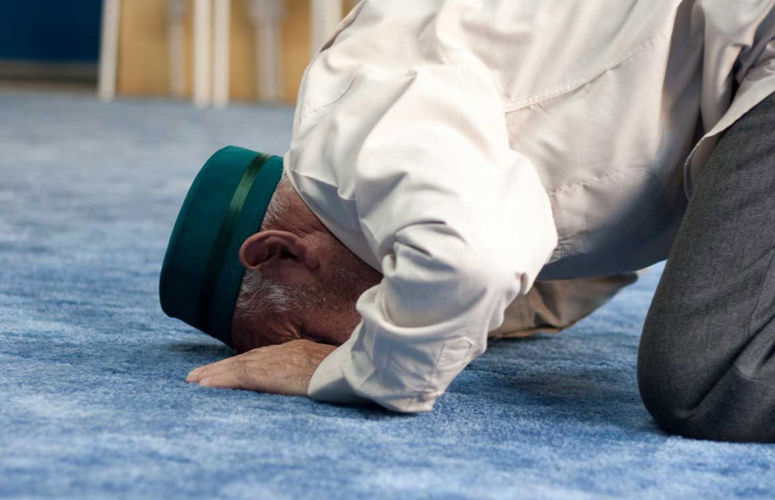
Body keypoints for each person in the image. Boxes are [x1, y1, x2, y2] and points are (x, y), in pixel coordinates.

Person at [159, 0, 775, 442]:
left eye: (296, 331)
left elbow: (473, 263)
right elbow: (567, 244)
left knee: (706, 381)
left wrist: (347, 370)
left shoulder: (362, 134)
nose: (320, 344)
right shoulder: (388, 149)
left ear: (281, 251)